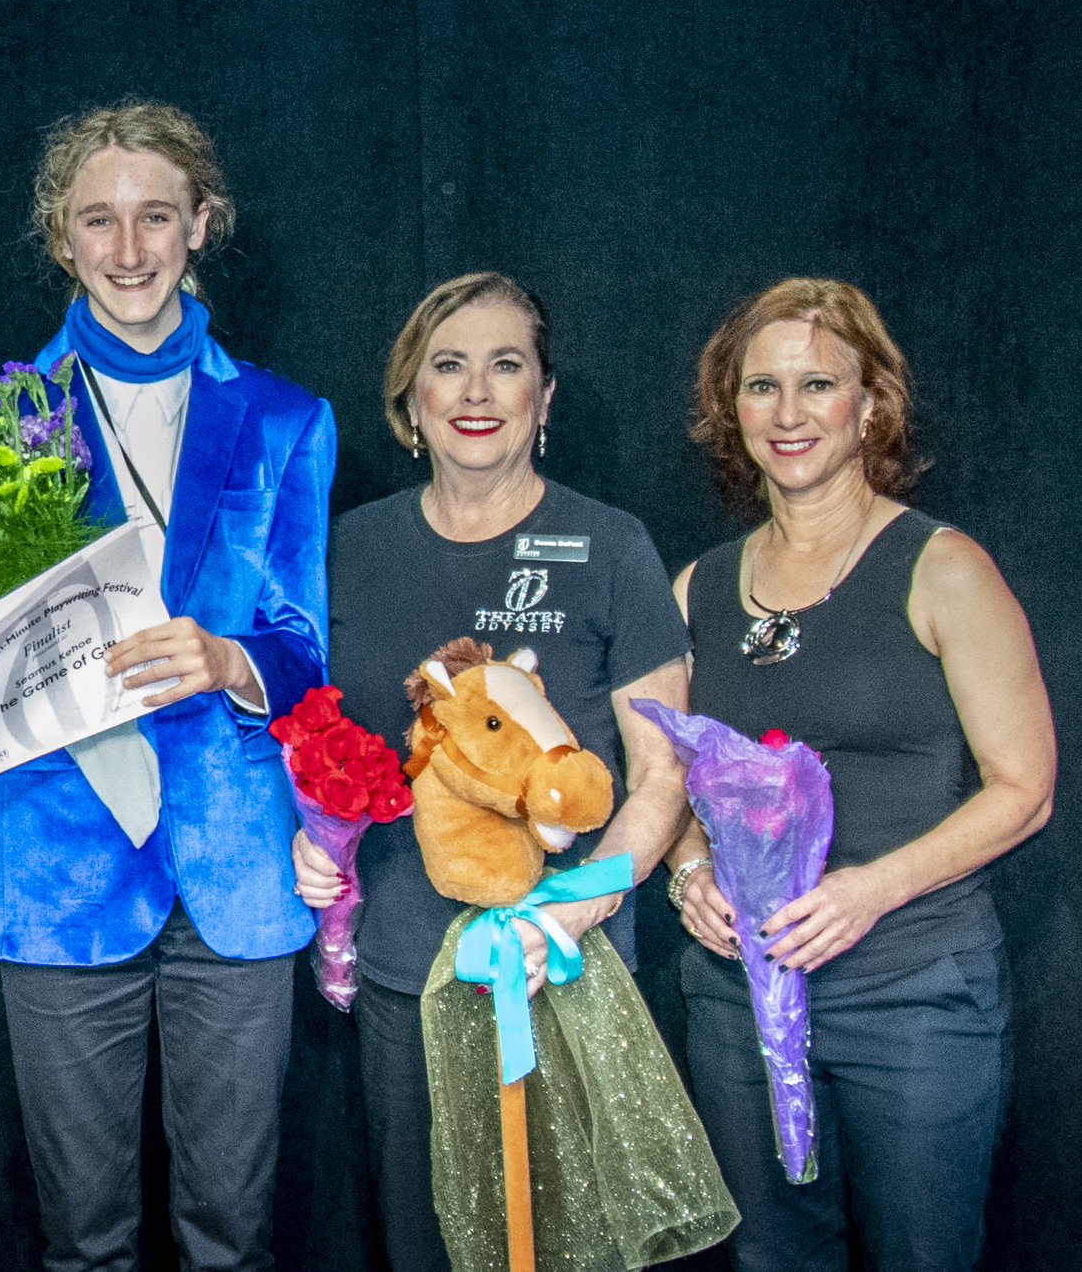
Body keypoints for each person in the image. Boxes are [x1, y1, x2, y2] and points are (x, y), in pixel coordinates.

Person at [0, 100, 332, 1272]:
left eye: (156, 218)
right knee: (82, 1240)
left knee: (232, 1232)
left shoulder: (283, 419)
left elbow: (304, 645)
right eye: (99, 222)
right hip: (59, 866)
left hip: (235, 864)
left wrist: (233, 662)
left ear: (200, 225)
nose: (129, 250)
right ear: (60, 239)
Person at [291, 272, 695, 1272]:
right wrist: (307, 840)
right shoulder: (348, 547)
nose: (475, 390)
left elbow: (663, 772)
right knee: (423, 1243)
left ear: (543, 398)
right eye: (447, 366)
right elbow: (315, 735)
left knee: (563, 1247)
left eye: (504, 365)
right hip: (401, 975)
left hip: (564, 965)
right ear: (409, 401)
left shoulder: (611, 546)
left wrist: (578, 908)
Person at [664, 278, 1054, 1272]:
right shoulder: (695, 588)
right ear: (730, 407)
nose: (787, 414)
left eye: (816, 383)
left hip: (910, 992)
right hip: (734, 1000)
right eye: (761, 386)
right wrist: (685, 865)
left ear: (868, 404)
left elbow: (1024, 786)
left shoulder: (940, 567)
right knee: (770, 1260)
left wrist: (871, 888)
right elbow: (665, 781)